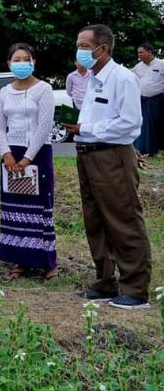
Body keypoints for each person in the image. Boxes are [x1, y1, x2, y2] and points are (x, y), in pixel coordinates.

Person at [61, 25, 151, 310]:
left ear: (103, 49)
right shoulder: (92, 79)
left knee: (123, 219)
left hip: (111, 157)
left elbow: (130, 123)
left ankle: (136, 290)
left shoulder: (122, 78)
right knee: (95, 221)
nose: (80, 50)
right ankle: (105, 282)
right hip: (87, 155)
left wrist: (84, 127)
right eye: (79, 45)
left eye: (85, 45)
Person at [0, 43, 58, 281]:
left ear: (33, 62)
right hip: (11, 155)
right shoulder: (4, 92)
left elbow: (44, 127)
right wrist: (6, 154)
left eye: (26, 59)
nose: (21, 63)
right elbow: (0, 126)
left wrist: (28, 158)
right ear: (9, 63)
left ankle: (48, 263)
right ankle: (21, 261)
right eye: (16, 59)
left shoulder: (44, 89)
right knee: (15, 209)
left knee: (40, 208)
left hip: (38, 154)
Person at [132, 43, 164, 157]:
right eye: (138, 53)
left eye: (141, 52)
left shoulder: (161, 64)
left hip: (158, 100)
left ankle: (158, 149)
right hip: (142, 101)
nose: (139, 55)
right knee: (144, 125)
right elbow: (132, 80)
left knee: (157, 125)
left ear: (150, 52)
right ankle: (145, 150)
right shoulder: (138, 66)